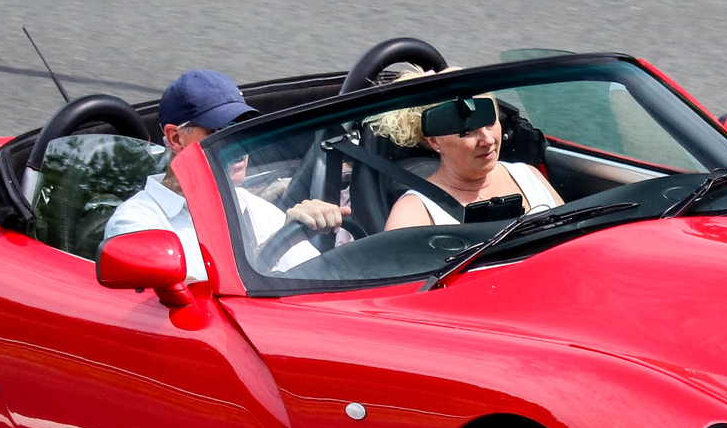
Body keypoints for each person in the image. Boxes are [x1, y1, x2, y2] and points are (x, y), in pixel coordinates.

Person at [102, 69, 344, 276]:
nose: (239, 145)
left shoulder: (255, 210)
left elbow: (319, 280)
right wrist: (275, 245)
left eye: (242, 130)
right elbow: (194, 300)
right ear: (175, 138)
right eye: (221, 132)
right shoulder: (137, 222)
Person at [379, 92, 561, 231]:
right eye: (468, 132)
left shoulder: (529, 176)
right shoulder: (413, 213)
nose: (488, 140)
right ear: (435, 141)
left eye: (490, 124)